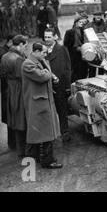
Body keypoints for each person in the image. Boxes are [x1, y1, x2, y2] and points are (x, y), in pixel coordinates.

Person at [21, 41, 62, 169]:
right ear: (36, 52)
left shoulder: (39, 62)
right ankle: (47, 161)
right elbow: (42, 77)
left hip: (43, 102)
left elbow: (46, 74)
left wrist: (49, 75)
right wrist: (49, 73)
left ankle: (40, 158)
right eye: (44, 52)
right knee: (45, 133)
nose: (46, 54)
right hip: (38, 104)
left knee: (43, 133)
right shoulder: (28, 64)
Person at [0, 34, 28, 157]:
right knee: (22, 118)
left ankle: (18, 147)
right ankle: (24, 149)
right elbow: (22, 77)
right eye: (25, 46)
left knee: (15, 118)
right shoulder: (18, 59)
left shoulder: (5, 56)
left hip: (10, 89)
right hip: (19, 89)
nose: (25, 49)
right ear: (20, 44)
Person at [44, 27, 72, 142]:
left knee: (61, 110)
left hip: (59, 86)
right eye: (45, 37)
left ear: (55, 37)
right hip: (46, 85)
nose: (47, 39)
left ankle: (65, 133)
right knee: (48, 111)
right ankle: (50, 135)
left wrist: (67, 86)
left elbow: (67, 68)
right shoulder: (42, 49)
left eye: (49, 37)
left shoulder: (62, 49)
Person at [0, 33, 17, 150]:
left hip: (8, 88)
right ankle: (13, 142)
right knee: (11, 114)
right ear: (10, 42)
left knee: (11, 114)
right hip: (8, 88)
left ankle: (14, 142)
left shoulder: (4, 52)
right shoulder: (4, 53)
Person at [63, 15, 89, 83]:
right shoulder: (69, 32)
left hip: (81, 53)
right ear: (75, 23)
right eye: (80, 22)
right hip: (73, 54)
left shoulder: (83, 31)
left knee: (82, 70)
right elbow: (66, 44)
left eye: (82, 22)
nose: (81, 23)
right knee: (74, 70)